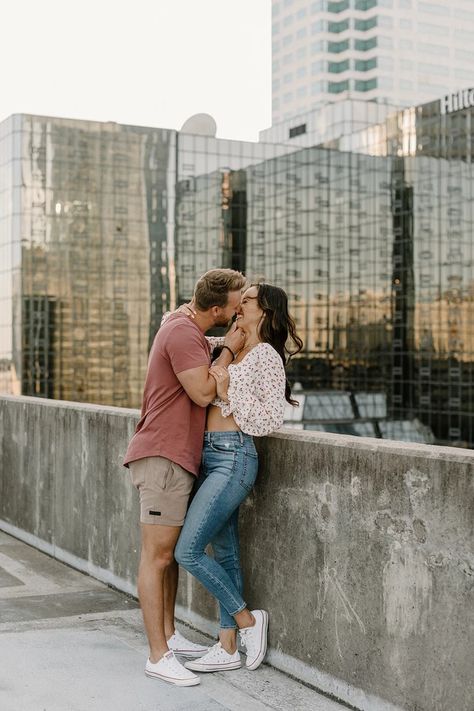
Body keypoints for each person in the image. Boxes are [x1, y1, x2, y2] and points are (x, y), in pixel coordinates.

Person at [123, 268, 247, 687]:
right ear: (216, 309)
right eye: (233, 308)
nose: (236, 316)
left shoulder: (182, 325)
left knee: (169, 556)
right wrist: (228, 351)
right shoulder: (181, 332)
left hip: (176, 457)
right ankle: (158, 656)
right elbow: (202, 392)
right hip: (162, 456)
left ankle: (170, 638)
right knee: (156, 557)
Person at [174, 282, 303, 674]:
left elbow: (269, 420)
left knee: (187, 551)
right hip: (210, 455)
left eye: (245, 300)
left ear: (263, 310)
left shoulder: (265, 355)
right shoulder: (230, 345)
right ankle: (227, 645)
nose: (237, 306)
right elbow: (179, 323)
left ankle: (248, 620)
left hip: (235, 456)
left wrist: (229, 395)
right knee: (225, 553)